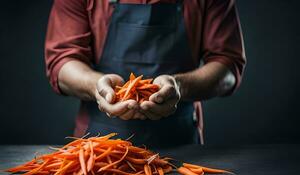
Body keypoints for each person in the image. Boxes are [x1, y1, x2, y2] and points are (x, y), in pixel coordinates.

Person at [45, 0, 246, 147]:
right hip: (97, 146)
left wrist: (178, 86)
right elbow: (62, 61)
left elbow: (228, 64)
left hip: (181, 147)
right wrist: (97, 86)